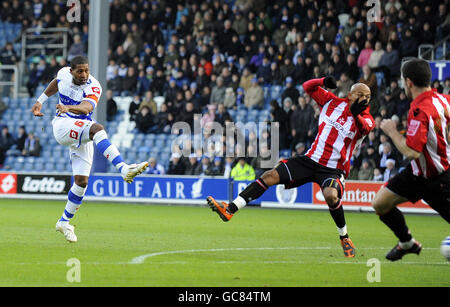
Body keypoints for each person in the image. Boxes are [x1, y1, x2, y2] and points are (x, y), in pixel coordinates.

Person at [207, 76, 375, 258]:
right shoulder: (331, 102)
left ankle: (344, 237)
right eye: (360, 94)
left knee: (331, 196)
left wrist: (356, 113)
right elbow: (307, 86)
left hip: (333, 169)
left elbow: (364, 128)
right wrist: (324, 80)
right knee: (269, 176)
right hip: (310, 160)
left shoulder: (367, 119)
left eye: (368, 96)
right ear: (349, 95)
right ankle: (230, 209)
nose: (364, 99)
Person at [31, 56, 148, 243]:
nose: (84, 74)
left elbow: (86, 108)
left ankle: (64, 222)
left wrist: (67, 106)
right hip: (62, 126)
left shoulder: (95, 86)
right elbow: (56, 83)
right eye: (80, 71)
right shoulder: (63, 74)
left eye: (86, 70)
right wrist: (40, 100)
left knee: (81, 181)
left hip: (80, 126)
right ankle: (124, 169)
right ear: (71, 71)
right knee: (97, 129)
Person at [372, 58, 450, 261]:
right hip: (417, 174)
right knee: (380, 203)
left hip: (439, 179)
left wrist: (391, 131)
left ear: (408, 82)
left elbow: (412, 152)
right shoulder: (444, 100)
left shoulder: (420, 110)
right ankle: (406, 243)